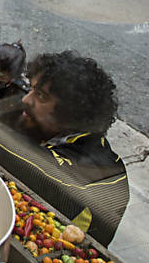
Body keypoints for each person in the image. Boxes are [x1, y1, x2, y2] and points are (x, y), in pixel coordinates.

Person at [16, 51, 129, 245]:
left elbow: (31, 168)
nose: (26, 100)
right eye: (31, 89)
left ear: (71, 112)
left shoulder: (85, 168)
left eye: (41, 96)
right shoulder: (67, 139)